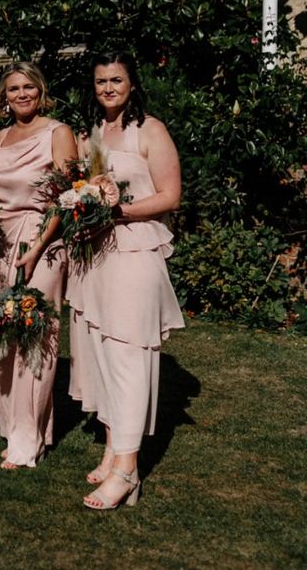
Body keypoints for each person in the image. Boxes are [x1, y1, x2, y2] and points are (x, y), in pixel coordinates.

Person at [67, 51, 185, 509]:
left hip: (135, 251)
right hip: (95, 255)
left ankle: (128, 472)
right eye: (101, 82)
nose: (109, 88)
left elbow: (171, 195)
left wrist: (119, 211)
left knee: (128, 356)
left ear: (132, 83)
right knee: (100, 350)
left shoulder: (150, 130)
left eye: (117, 80)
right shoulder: (90, 134)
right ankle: (114, 450)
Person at [0, 62, 77, 469]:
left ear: (41, 91)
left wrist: (37, 246)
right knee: (3, 335)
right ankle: (12, 428)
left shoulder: (59, 132)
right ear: (4, 97)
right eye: (13, 89)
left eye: (28, 88)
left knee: (37, 335)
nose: (21, 95)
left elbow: (65, 196)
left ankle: (30, 437)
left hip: (42, 236)